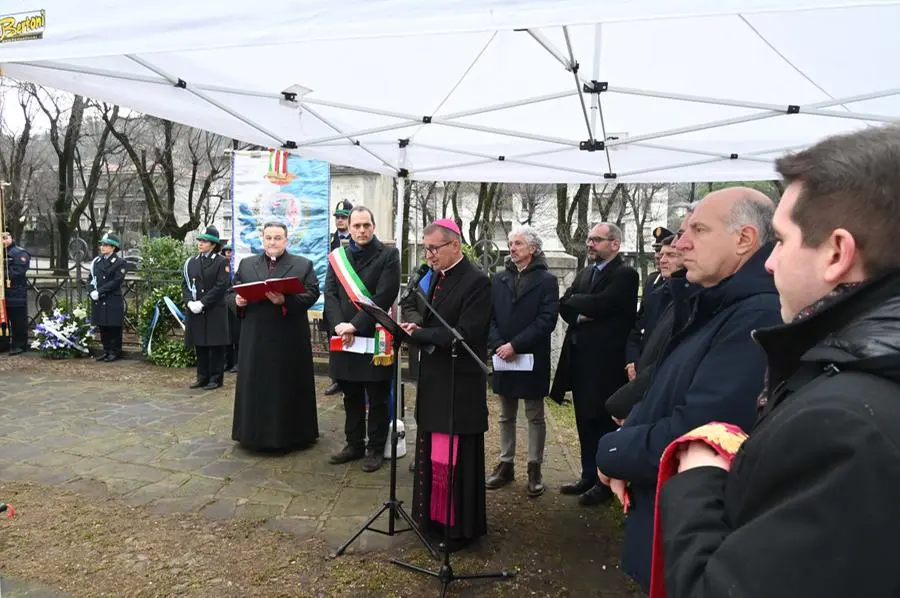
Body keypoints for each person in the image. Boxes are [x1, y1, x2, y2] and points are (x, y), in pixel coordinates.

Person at [656, 126, 900, 598]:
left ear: (836, 253)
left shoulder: (843, 425)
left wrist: (701, 475)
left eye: (783, 241)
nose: (769, 263)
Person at [595, 187, 781, 592]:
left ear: (744, 239)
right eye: (682, 232)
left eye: (697, 229)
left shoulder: (757, 314)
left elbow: (701, 430)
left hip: (695, 534)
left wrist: (613, 451)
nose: (680, 243)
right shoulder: (716, 302)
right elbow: (668, 388)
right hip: (669, 519)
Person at [400, 219, 491, 550]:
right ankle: (431, 517)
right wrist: (416, 326)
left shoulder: (477, 282)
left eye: (434, 248)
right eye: (426, 249)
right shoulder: (434, 277)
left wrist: (419, 334)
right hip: (435, 377)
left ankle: (457, 527)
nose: (429, 255)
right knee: (432, 447)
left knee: (454, 455)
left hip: (460, 383)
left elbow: (466, 333)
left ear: (455, 245)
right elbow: (430, 319)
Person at [550, 222, 639, 507]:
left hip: (607, 365)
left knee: (603, 423)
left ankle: (606, 481)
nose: (590, 244)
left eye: (597, 240)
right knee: (584, 421)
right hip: (580, 361)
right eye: (589, 239)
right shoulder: (586, 272)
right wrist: (579, 312)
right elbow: (564, 305)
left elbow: (603, 302)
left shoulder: (625, 274)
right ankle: (588, 475)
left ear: (615, 244)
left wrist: (580, 303)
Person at [228, 221, 321, 452]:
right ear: (262, 240)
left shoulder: (302, 265)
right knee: (255, 386)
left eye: (278, 238)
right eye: (268, 238)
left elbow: (312, 293)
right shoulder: (247, 264)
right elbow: (232, 291)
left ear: (286, 240)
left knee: (287, 385)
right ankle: (251, 434)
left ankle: (293, 435)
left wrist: (286, 301)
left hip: (288, 339)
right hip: (255, 337)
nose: (272, 242)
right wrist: (237, 301)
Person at [485, 225, 559, 497]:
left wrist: (515, 345)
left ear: (533, 249)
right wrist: (497, 345)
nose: (512, 247)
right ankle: (506, 464)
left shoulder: (547, 281)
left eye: (517, 243)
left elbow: (547, 320)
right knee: (505, 414)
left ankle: (534, 466)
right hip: (503, 355)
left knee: (534, 414)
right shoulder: (499, 278)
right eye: (510, 243)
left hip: (530, 356)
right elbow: (490, 316)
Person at [325, 205, 400, 472]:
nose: (361, 230)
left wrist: (354, 326)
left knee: (377, 397)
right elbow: (331, 294)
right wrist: (337, 326)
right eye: (356, 226)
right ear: (350, 228)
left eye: (366, 225)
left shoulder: (389, 255)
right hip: (344, 337)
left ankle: (375, 448)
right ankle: (354, 444)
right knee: (351, 395)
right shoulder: (337, 258)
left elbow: (384, 295)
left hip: (373, 335)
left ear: (373, 226)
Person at [183, 226, 231, 390]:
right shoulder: (192, 262)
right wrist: (189, 302)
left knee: (215, 346)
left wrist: (202, 303)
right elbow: (186, 285)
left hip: (213, 309)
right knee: (200, 344)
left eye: (204, 241)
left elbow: (221, 286)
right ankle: (202, 376)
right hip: (196, 310)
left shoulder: (221, 261)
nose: (201, 244)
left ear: (213, 244)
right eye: (200, 241)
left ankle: (215, 378)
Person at [625, 226, 674, 380]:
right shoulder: (651, 281)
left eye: (667, 253)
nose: (659, 257)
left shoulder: (679, 286)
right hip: (641, 361)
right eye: (657, 251)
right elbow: (639, 325)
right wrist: (632, 361)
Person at [323, 199, 355, 396]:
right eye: (338, 217)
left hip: (353, 297)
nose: (340, 220)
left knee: (353, 341)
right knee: (334, 340)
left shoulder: (358, 239)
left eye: (344, 217)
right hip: (335, 298)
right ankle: (337, 379)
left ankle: (351, 378)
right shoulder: (328, 240)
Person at [87, 232, 128, 362]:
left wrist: (99, 291)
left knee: (113, 327)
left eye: (106, 245)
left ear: (113, 248)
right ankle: (106, 350)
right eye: (102, 245)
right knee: (103, 325)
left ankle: (114, 351)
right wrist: (91, 291)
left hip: (111, 298)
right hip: (99, 299)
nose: (102, 247)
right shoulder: (97, 262)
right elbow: (90, 279)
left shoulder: (119, 262)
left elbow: (116, 281)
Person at [2, 231, 30, 355]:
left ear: (12, 238)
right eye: (1, 238)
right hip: (2, 294)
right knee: (3, 320)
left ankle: (19, 345)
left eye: (5, 238)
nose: (3, 241)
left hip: (15, 292)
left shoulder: (19, 253)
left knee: (18, 320)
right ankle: (3, 343)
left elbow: (17, 271)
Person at [220, 240, 240, 373]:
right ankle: (228, 362)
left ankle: (238, 363)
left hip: (236, 304)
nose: (229, 254)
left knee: (237, 335)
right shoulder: (222, 265)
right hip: (223, 305)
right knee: (226, 336)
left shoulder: (238, 266)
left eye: (231, 252)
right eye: (227, 252)